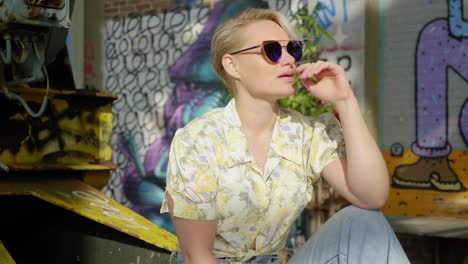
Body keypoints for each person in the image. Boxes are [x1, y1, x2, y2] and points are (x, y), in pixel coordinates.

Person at [160, 7, 410, 264]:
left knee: (363, 220)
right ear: (233, 65)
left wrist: (345, 101)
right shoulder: (199, 140)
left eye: (292, 49)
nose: (289, 59)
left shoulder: (306, 133)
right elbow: (197, 255)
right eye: (272, 51)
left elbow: (372, 196)